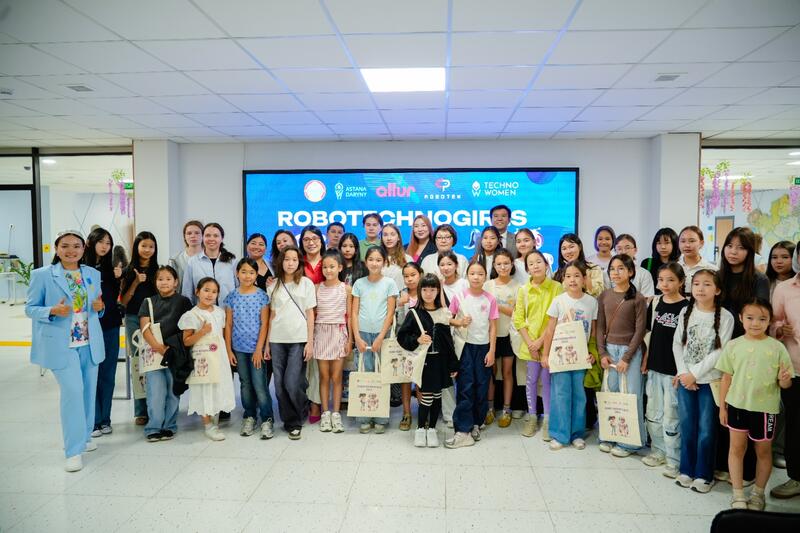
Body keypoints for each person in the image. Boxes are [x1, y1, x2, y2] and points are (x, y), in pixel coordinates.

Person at [26, 230, 106, 472]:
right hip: (62, 345)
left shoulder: (92, 274)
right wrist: (52, 310)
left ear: (83, 249)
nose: (71, 250)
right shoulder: (42, 275)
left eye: (76, 246)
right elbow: (30, 308)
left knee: (87, 392)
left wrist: (100, 307)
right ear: (57, 249)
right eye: (65, 246)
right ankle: (73, 450)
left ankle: (85, 437)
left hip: (89, 343)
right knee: (73, 392)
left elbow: (96, 308)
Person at [717, 298, 794, 510]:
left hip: (765, 410)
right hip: (736, 406)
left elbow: (785, 384)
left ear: (770, 321)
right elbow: (726, 378)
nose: (755, 323)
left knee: (763, 452)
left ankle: (758, 494)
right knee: (736, 449)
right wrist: (722, 407)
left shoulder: (777, 347)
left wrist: (785, 379)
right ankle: (737, 494)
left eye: (762, 319)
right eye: (750, 318)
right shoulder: (733, 345)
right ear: (741, 318)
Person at [715, 227, 770, 484]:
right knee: (721, 407)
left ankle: (746, 471)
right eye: (730, 246)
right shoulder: (718, 276)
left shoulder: (759, 280)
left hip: (746, 350)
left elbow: (760, 314)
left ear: (750, 251)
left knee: (743, 408)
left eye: (740, 247)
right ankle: (722, 464)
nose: (733, 252)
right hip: (719, 349)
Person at [673, 269, 734, 493]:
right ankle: (686, 470)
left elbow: (720, 351)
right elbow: (677, 344)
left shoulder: (725, 317)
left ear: (717, 290)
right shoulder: (685, 311)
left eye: (707, 284)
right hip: (685, 380)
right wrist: (683, 373)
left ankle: (704, 475)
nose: (700, 288)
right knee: (687, 425)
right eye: (697, 283)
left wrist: (694, 374)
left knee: (707, 429)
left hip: (710, 381)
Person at [397, 274, 458, 448]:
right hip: (424, 363)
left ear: (438, 291)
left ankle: (431, 429)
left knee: (437, 395)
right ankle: (420, 429)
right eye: (425, 290)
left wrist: (453, 364)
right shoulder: (414, 313)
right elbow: (402, 336)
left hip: (440, 362)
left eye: (432, 289)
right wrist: (417, 339)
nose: (429, 293)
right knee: (427, 397)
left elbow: (448, 341)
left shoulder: (443, 312)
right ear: (419, 291)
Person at [542, 261, 597, 450]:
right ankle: (559, 434)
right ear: (563, 280)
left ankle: (576, 434)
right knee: (560, 394)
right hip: (560, 357)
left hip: (580, 357)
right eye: (568, 276)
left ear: (584, 279)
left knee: (579, 396)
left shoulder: (591, 302)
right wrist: (545, 355)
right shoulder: (559, 301)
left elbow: (594, 332)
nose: (572, 280)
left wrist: (592, 353)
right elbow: (549, 330)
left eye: (577, 276)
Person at [597, 254, 647, 457]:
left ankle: (630, 443)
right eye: (612, 269)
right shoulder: (604, 296)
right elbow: (600, 327)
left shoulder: (638, 298)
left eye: (620, 268)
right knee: (611, 392)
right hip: (609, 351)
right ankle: (609, 435)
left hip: (630, 351)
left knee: (631, 395)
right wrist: (602, 353)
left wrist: (626, 358)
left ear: (631, 272)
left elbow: (640, 331)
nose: (615, 273)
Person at [642, 262, 688, 478]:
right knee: (653, 412)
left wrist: (682, 370)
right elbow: (649, 334)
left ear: (681, 281)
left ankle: (674, 459)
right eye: (661, 280)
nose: (665, 284)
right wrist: (646, 359)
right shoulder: (655, 302)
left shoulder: (687, 307)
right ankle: (658, 451)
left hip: (673, 371)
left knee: (672, 415)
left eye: (671, 280)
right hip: (654, 366)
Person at [446, 261, 499, 448]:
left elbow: (493, 327)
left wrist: (492, 351)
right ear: (467, 276)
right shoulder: (459, 296)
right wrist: (460, 322)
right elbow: (447, 319)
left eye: (480, 274)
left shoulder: (490, 299)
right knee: (465, 387)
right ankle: (463, 429)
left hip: (483, 348)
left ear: (485, 277)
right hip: (465, 348)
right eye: (472, 274)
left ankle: (476, 423)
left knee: (481, 387)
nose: (476, 277)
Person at [266, 246, 316, 440]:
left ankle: (298, 415)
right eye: (287, 259)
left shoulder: (306, 283)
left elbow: (310, 314)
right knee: (279, 386)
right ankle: (290, 420)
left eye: (294, 259)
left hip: (298, 339)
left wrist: (310, 342)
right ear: (281, 261)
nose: (290, 263)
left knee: (292, 382)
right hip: (277, 339)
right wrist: (267, 344)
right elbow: (271, 316)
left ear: (299, 262)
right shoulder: (273, 285)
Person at [179, 277, 236, 441]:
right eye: (206, 290)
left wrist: (228, 352)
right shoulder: (191, 315)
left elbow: (223, 334)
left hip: (219, 356)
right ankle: (207, 424)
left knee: (218, 386)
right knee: (204, 388)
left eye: (214, 292)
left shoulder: (219, 312)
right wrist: (202, 331)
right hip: (202, 358)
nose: (210, 295)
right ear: (197, 292)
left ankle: (215, 420)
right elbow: (186, 341)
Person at [139, 266, 192, 442]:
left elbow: (188, 326)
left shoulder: (184, 302)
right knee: (155, 392)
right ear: (155, 282)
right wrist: (159, 347)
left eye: (168, 279)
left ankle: (169, 426)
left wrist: (174, 349)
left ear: (176, 282)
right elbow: (145, 328)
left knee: (173, 391)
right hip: (155, 352)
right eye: (160, 279)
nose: (164, 282)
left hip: (176, 353)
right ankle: (153, 427)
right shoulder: (148, 302)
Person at [513, 250, 562, 439]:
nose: (535, 266)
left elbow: (556, 318)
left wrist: (541, 342)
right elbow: (518, 319)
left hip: (549, 344)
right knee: (531, 381)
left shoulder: (557, 287)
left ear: (546, 264)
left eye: (539, 261)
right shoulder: (523, 290)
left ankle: (548, 420)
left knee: (547, 381)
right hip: (530, 345)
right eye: (531, 264)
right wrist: (531, 344)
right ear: (527, 269)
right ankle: (532, 417)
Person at [223, 258, 273, 439]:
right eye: (243, 272)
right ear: (237, 273)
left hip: (256, 349)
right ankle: (249, 416)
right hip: (238, 349)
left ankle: (267, 419)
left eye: (251, 272)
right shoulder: (231, 297)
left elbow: (265, 324)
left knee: (260, 385)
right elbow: (228, 325)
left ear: (256, 275)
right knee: (245, 384)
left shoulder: (262, 296)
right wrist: (229, 350)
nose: (247, 276)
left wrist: (259, 349)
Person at [351, 246, 398, 434]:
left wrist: (380, 337)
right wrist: (357, 337)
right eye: (371, 259)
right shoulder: (359, 284)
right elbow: (354, 313)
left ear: (384, 262)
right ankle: (364, 417)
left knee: (382, 374)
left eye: (378, 260)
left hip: (382, 335)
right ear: (365, 262)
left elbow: (390, 313)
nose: (374, 263)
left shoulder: (389, 283)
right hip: (362, 334)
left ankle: (380, 417)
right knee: (364, 372)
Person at [84, 228, 122, 438]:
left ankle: (105, 419)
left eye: (108, 243)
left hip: (110, 325)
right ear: (90, 243)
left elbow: (115, 298)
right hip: (88, 327)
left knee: (108, 374)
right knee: (92, 374)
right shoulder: (82, 268)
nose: (105, 246)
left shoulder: (111, 270)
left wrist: (119, 278)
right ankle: (94, 420)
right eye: (101, 242)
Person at [771, 245, 800, 500]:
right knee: (795, 424)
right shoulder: (785, 288)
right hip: (794, 368)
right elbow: (773, 323)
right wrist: (781, 329)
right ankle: (796, 477)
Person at [120, 231, 158, 425]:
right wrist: (136, 282)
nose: (147, 250)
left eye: (151, 246)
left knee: (154, 363)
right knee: (138, 363)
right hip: (134, 319)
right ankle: (141, 410)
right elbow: (124, 301)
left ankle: (155, 407)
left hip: (154, 320)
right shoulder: (128, 271)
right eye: (144, 246)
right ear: (136, 247)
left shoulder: (158, 270)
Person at [314, 250, 351, 434]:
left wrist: (350, 340)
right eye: (325, 267)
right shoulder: (316, 288)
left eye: (332, 267)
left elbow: (350, 316)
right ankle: (325, 413)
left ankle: (336, 414)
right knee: (324, 376)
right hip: (321, 332)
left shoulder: (346, 288)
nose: (328, 270)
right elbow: (312, 314)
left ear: (340, 268)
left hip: (339, 332)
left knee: (337, 377)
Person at [483, 248, 521, 428]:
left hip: (509, 335)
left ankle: (506, 409)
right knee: (491, 373)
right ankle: (490, 408)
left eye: (506, 263)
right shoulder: (487, 285)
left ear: (512, 264)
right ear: (494, 265)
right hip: (489, 335)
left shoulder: (518, 287)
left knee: (507, 372)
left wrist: (496, 306)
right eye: (499, 264)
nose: (503, 267)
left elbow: (518, 313)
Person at [299, 225, 325, 424]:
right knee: (301, 364)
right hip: (300, 318)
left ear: (321, 241)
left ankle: (316, 403)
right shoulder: (297, 262)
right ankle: (301, 402)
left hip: (325, 318)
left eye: (314, 238)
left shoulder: (329, 260)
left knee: (317, 365)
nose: (311, 242)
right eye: (306, 239)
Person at [181, 223, 237, 306]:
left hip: (228, 311)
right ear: (202, 238)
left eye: (215, 236)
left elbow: (239, 288)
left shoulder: (232, 261)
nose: (211, 239)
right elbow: (187, 292)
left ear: (222, 238)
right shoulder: (193, 262)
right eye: (207, 235)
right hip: (202, 312)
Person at [396, 262, 424, 431]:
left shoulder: (425, 293)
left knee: (421, 379)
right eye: (406, 276)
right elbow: (396, 319)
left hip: (422, 342)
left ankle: (423, 412)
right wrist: (400, 303)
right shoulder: (401, 294)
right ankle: (406, 413)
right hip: (405, 341)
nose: (410, 279)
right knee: (405, 378)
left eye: (413, 275)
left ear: (420, 275)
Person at [553, 233, 606, 298]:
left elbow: (599, 292)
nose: (568, 251)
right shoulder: (556, 274)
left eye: (571, 247)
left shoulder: (593, 269)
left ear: (580, 247)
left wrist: (586, 282)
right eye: (564, 249)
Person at [677, 226, 716, 293]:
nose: (687, 245)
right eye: (683, 241)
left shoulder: (712, 269)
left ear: (701, 243)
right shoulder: (673, 268)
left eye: (692, 241)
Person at [381, 222, 412, 292]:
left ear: (398, 238)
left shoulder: (407, 259)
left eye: (392, 234)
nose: (389, 238)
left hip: (402, 297)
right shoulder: (377, 259)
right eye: (385, 235)